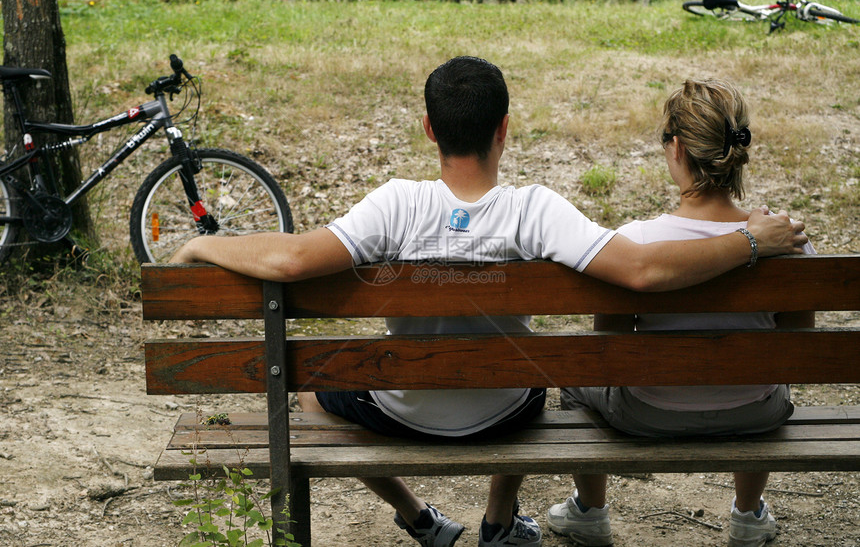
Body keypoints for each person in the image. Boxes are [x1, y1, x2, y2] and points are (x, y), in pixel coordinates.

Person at [169, 59, 807, 547]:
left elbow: (289, 261)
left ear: (428, 129)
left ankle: (418, 518)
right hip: (510, 412)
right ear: (505, 128)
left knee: (306, 386)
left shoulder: (394, 203)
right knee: (525, 367)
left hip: (400, 411)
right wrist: (753, 239)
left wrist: (208, 246)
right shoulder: (534, 208)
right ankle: (499, 520)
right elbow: (638, 269)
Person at [547, 78, 816, 547]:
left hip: (648, 412)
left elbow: (609, 348)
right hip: (757, 411)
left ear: (676, 149)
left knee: (578, 376)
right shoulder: (787, 240)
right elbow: (796, 342)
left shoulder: (638, 242)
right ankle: (749, 516)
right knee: (772, 365)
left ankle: (589, 511)